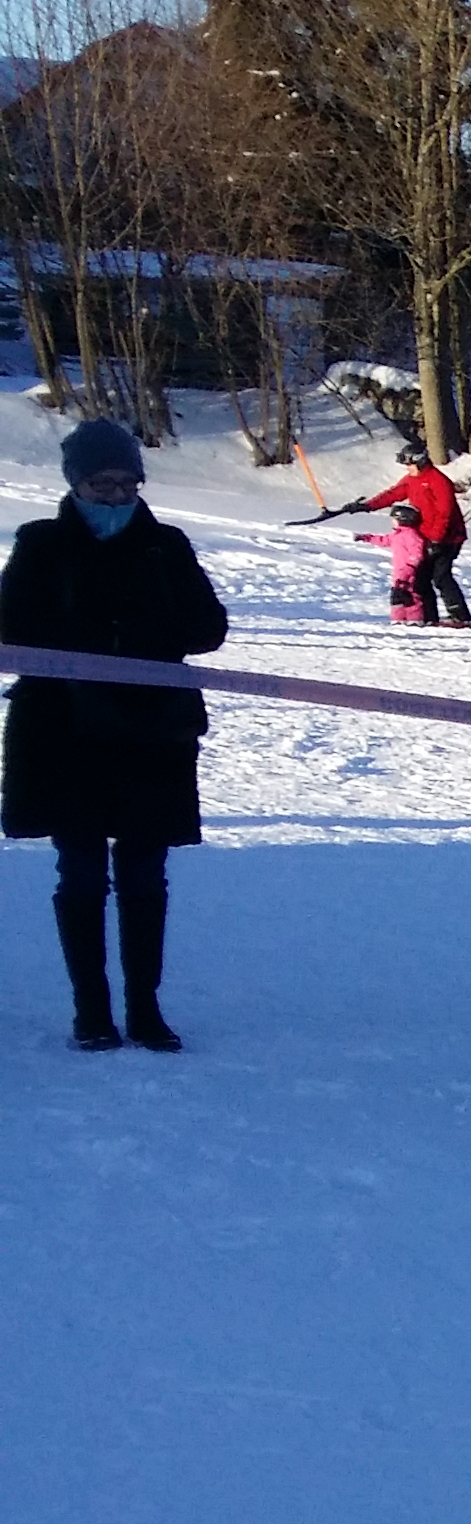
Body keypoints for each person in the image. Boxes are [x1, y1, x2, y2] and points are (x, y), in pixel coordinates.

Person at [4, 419, 229, 1052]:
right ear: (76, 484)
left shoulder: (166, 545)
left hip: (150, 734)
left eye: (126, 484)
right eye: (101, 484)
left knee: (144, 875)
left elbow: (208, 628)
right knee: (79, 872)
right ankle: (91, 1009)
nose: (114, 496)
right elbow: (12, 628)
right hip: (64, 733)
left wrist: (147, 633)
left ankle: (144, 1007)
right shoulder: (41, 543)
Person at [347, 437, 471, 629]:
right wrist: (367, 506)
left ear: (420, 461)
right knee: (421, 577)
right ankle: (428, 616)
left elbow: (445, 513)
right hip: (425, 537)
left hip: (448, 537)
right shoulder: (413, 479)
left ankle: (461, 616)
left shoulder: (438, 481)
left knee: (440, 576)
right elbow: (393, 494)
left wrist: (436, 539)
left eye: (409, 464)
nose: (407, 468)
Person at [355, 503, 430, 624]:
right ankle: (398, 619)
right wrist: (366, 538)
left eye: (394, 520)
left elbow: (417, 554)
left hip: (410, 572)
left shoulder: (411, 535)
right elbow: (384, 540)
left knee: (411, 595)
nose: (392, 522)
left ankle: (415, 619)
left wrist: (410, 567)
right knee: (397, 595)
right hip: (398, 572)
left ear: (403, 519)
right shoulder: (397, 535)